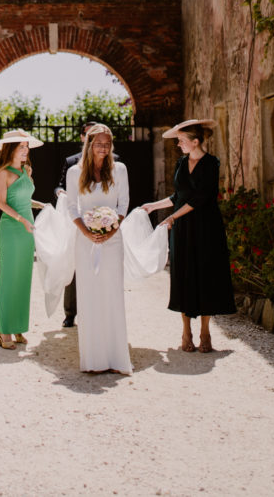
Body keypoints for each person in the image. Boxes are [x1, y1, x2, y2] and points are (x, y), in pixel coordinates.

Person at [142, 119, 236, 353]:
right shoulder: (181, 163)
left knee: (205, 275)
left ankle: (205, 332)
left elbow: (201, 197)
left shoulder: (211, 164)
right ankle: (186, 332)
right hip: (183, 229)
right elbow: (179, 197)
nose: (178, 145)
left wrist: (173, 217)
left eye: (181, 141)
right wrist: (154, 206)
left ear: (195, 142)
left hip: (206, 226)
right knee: (183, 275)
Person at [66, 124, 132, 374]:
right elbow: (72, 207)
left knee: (112, 295)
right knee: (89, 296)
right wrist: (88, 232)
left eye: (107, 143)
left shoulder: (120, 170)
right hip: (85, 241)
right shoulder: (75, 172)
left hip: (112, 242)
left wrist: (110, 231)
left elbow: (123, 204)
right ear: (89, 144)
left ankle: (116, 359)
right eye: (99, 143)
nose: (103, 148)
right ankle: (94, 360)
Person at [0, 129, 43, 350]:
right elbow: (2, 204)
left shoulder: (27, 170)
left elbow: (24, 199)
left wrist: (41, 206)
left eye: (26, 146)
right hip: (11, 229)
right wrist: (21, 219)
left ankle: (18, 326)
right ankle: (4, 331)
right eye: (21, 146)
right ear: (10, 149)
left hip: (27, 229)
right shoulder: (3, 173)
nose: (25, 150)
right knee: (9, 279)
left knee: (23, 279)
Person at [54, 121, 99, 328]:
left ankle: (96, 311)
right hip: (77, 220)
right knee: (74, 265)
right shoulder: (71, 161)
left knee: (99, 266)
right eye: (88, 135)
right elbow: (60, 185)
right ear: (82, 138)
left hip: (100, 218)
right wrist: (59, 192)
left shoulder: (114, 160)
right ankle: (70, 313)